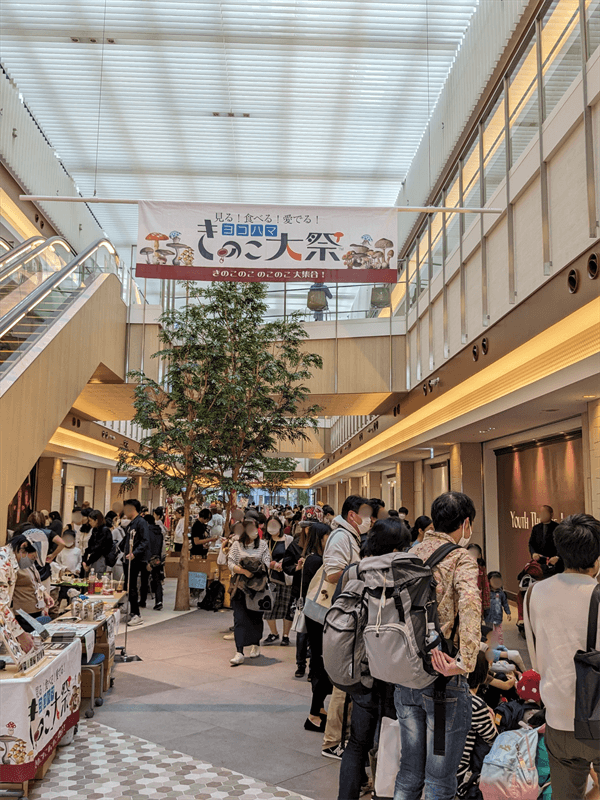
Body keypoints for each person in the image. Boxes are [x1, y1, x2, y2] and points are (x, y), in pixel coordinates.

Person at [393, 491, 481, 800]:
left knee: (409, 771)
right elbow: (471, 609)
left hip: (405, 672)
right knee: (439, 780)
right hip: (443, 677)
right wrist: (465, 661)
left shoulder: (409, 553)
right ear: (465, 523)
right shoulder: (461, 559)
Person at [524, 513, 600, 799]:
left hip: (558, 720)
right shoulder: (597, 594)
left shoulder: (535, 593)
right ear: (597, 558)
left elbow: (536, 661)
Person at [338, 518, 411, 800]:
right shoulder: (408, 574)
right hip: (396, 669)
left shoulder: (353, 572)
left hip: (362, 669)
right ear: (400, 547)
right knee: (392, 740)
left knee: (357, 742)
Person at [322, 494, 373, 761]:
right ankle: (332, 741)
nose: (369, 520)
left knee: (346, 681)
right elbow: (332, 572)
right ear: (353, 515)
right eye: (366, 513)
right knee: (344, 681)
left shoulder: (349, 536)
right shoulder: (341, 537)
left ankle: (339, 738)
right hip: (343, 618)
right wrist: (360, 570)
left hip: (349, 618)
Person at [299, 521, 332, 729]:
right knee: (320, 663)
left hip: (313, 614)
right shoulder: (316, 561)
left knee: (319, 663)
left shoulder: (310, 558)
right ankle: (313, 715)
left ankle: (318, 709)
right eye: (328, 536)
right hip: (317, 616)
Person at [227, 518, 271, 666]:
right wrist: (243, 571)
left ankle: (255, 643)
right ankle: (239, 651)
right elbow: (230, 562)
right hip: (240, 586)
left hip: (257, 587)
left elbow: (266, 563)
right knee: (239, 618)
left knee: (255, 617)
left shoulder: (263, 545)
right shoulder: (236, 544)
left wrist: (255, 569)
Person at [456, 651, 498, 797]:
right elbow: (494, 739)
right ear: (482, 675)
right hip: (460, 773)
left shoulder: (448, 694)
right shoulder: (476, 704)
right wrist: (491, 719)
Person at [0, 531, 49, 652]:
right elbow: (1, 606)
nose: (31, 563)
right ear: (23, 547)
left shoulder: (12, 562)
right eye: (32, 558)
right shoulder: (3, 565)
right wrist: (20, 635)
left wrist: (20, 633)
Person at [263, 516, 296, 645]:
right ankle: (273, 633)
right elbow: (262, 559)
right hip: (272, 579)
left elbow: (294, 555)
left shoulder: (289, 540)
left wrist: (285, 564)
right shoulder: (265, 542)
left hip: (288, 579)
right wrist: (271, 564)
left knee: (288, 608)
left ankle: (286, 636)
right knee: (268, 608)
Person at [119, 499, 150, 627]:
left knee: (132, 587)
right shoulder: (132, 523)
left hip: (135, 560)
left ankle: (137, 614)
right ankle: (133, 611)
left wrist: (134, 553)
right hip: (128, 559)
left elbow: (145, 541)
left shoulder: (141, 523)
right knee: (128, 586)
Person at [529, 505, 562, 573]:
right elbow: (531, 543)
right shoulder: (536, 528)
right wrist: (533, 553)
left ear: (551, 514)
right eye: (540, 513)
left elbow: (562, 545)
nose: (541, 515)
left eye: (544, 513)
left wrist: (557, 557)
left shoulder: (558, 528)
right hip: (540, 564)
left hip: (554, 565)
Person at [82, 510, 114, 576]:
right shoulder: (94, 530)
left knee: (97, 581)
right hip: (93, 559)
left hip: (101, 559)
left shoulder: (105, 531)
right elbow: (90, 547)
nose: (89, 522)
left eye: (90, 520)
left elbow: (99, 550)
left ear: (96, 520)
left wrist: (88, 562)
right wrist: (84, 560)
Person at [143, 513, 164, 610]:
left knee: (145, 579)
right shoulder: (159, 532)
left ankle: (142, 601)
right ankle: (159, 601)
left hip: (148, 558)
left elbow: (146, 546)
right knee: (157, 580)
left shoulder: (146, 532)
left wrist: (147, 561)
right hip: (157, 558)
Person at [485, 570, 511, 643]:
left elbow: (505, 603)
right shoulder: (487, 593)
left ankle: (499, 645)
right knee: (489, 631)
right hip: (488, 616)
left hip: (498, 616)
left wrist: (508, 612)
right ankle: (490, 645)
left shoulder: (501, 593)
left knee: (498, 632)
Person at [466, 543, 490, 621]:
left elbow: (485, 586)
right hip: (466, 599)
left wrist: (486, 603)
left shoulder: (481, 569)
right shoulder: (462, 568)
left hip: (478, 599)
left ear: (479, 555)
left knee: (477, 621)